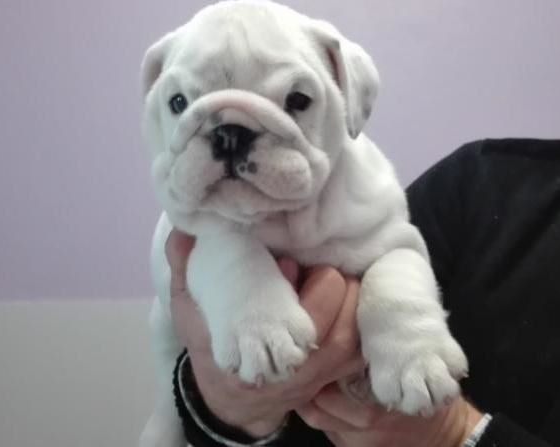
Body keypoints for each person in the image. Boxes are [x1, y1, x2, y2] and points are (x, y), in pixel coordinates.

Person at [165, 139, 560, 446]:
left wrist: (453, 434)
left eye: (296, 102)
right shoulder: (481, 178)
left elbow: (397, 257)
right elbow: (394, 255)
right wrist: (225, 408)